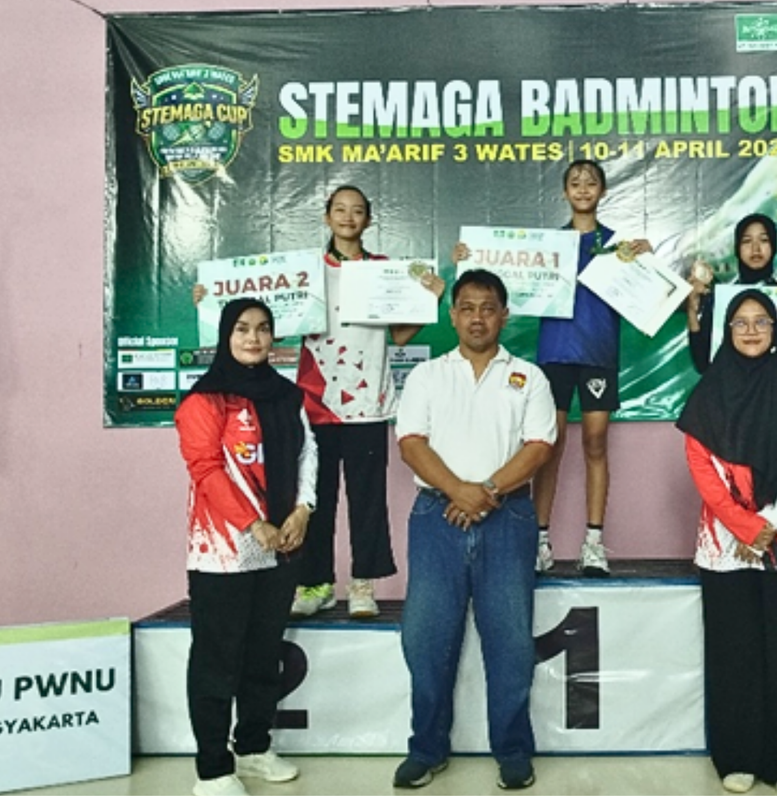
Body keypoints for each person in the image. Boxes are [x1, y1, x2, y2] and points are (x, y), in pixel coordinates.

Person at [196, 185, 444, 619]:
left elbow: (400, 335)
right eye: (340, 210)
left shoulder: (384, 271)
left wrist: (430, 299)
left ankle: (363, 583)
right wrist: (210, 301)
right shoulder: (305, 271)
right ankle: (316, 583)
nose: (349, 217)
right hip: (315, 403)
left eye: (358, 211)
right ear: (327, 217)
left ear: (369, 220)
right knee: (315, 499)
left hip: (369, 402)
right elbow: (260, 319)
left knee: (368, 499)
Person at [390, 269, 557, 791]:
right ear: (452, 315)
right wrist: (458, 491)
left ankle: (512, 750)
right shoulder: (427, 376)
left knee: (509, 642)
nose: (477, 318)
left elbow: (538, 447)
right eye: (467, 307)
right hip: (435, 517)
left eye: (488, 308)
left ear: (504, 316)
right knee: (426, 640)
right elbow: (411, 443)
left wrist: (483, 491)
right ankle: (426, 748)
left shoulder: (529, 377)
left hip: (507, 518)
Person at [451, 160, 650, 577]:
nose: (583, 189)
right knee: (547, 447)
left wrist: (646, 263)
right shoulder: (546, 245)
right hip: (555, 353)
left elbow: (647, 292)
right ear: (564, 192)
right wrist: (469, 261)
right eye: (575, 183)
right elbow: (500, 280)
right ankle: (540, 541)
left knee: (595, 443)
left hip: (598, 354)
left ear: (603, 191)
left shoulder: (619, 247)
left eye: (591, 183)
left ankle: (593, 543)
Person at [678, 290, 777, 796]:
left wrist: (769, 523)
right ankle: (737, 757)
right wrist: (745, 528)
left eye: (760, 321)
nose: (750, 331)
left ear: (775, 328)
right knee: (734, 655)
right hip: (725, 547)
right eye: (740, 322)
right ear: (726, 330)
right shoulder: (708, 395)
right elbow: (702, 468)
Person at [175, 298, 317, 796]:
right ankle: (213, 768)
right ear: (225, 336)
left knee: (262, 655)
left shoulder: (287, 395)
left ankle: (254, 749)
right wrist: (253, 524)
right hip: (222, 551)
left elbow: (307, 453)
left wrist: (303, 509)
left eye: (262, 329)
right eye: (241, 329)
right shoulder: (203, 401)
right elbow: (206, 469)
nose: (253, 338)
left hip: (280, 546)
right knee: (217, 660)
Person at [685, 213, 777, 373]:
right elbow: (702, 363)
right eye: (747, 241)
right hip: (729, 387)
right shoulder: (720, 299)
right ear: (737, 249)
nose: (756, 248)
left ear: (774, 247)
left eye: (764, 240)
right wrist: (692, 310)